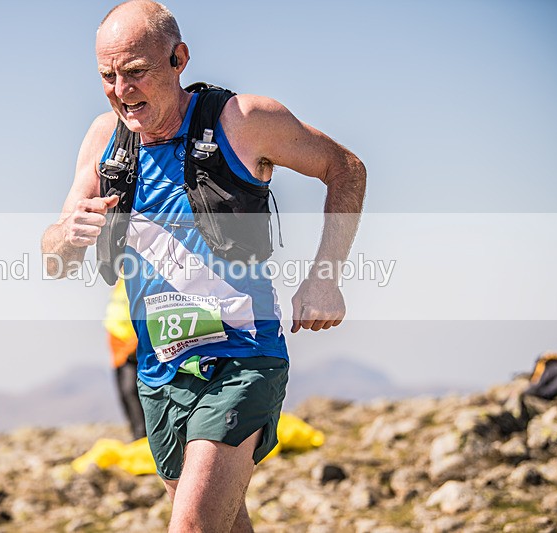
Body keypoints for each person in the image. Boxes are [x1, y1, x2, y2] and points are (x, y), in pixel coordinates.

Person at [41, 1, 366, 531]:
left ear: (179, 59)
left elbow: (346, 168)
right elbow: (55, 257)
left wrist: (325, 276)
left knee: (191, 526)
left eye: (137, 73)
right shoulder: (104, 141)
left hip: (243, 358)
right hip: (160, 372)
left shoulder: (244, 121)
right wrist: (65, 236)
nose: (122, 90)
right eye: (108, 76)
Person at [104, 277, 146, 440]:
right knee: (125, 394)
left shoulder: (137, 276)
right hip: (119, 347)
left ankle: (143, 437)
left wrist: (134, 344)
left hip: (133, 345)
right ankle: (138, 437)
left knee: (132, 391)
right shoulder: (120, 280)